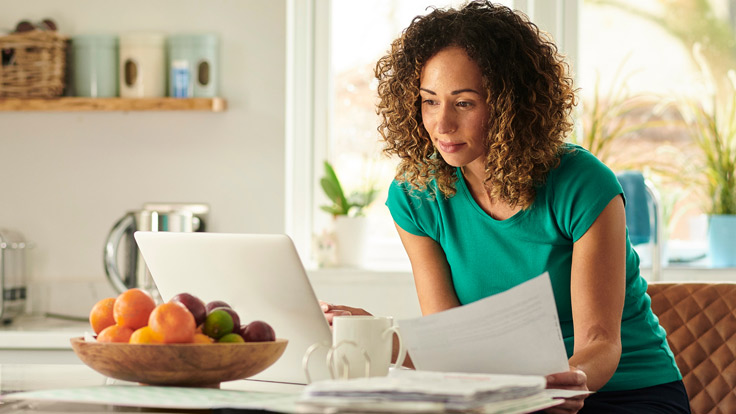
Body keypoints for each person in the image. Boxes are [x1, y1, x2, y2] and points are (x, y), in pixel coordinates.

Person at [320, 2, 690, 413]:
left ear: (511, 103)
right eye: (429, 101)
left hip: (626, 392)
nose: (441, 124)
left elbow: (600, 342)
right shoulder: (416, 195)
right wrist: (375, 335)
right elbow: (453, 343)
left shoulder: (582, 183)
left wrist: (558, 387)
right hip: (506, 398)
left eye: (464, 103)